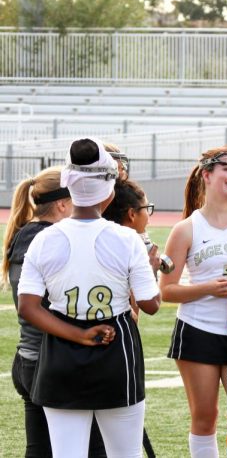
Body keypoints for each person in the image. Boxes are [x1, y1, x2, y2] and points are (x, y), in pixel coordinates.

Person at [17, 138, 160, 457]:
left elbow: (28, 306)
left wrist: (77, 334)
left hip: (60, 357)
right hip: (116, 355)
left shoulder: (44, 239)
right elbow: (150, 304)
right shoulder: (128, 239)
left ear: (69, 184)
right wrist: (150, 269)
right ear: (110, 191)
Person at [4, 166, 110, 457]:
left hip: (29, 358)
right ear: (63, 204)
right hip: (54, 361)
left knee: (40, 451)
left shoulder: (25, 234)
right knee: (94, 449)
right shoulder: (50, 239)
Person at [160, 146, 227, 458]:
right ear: (207, 174)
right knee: (205, 416)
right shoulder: (186, 228)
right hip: (198, 329)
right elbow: (166, 290)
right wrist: (209, 288)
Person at [102, 179, 162, 320]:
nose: (148, 218)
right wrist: (150, 270)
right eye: (146, 209)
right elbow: (151, 305)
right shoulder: (131, 245)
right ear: (132, 214)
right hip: (117, 333)